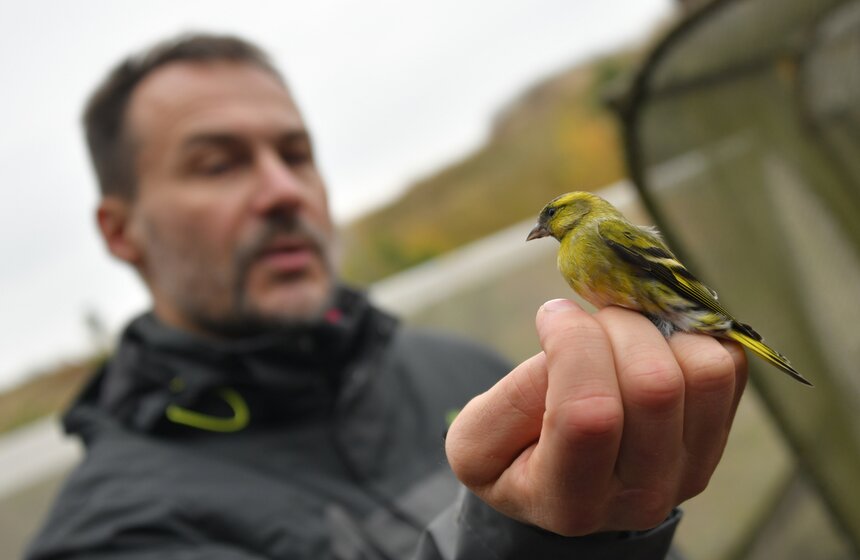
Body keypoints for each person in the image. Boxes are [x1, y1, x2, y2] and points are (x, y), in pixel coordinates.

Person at [27, 33, 747, 560]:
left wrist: (626, 526)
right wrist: (538, 542)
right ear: (120, 232)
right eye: (217, 164)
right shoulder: (114, 533)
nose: (281, 191)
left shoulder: (464, 366)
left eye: (296, 154)